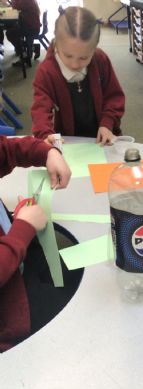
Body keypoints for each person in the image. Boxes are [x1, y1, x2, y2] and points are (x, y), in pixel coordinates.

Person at [0, 135, 71, 352]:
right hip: (10, 315)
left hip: (17, 258)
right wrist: (23, 228)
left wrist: (48, 152)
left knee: (68, 270)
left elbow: (7, 149)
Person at [31, 6, 125, 145]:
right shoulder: (46, 71)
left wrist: (107, 123)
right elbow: (40, 111)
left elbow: (114, 96)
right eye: (68, 56)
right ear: (56, 40)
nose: (75, 65)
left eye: (83, 58)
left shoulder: (100, 60)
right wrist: (46, 134)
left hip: (103, 139)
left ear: (94, 48)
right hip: (67, 143)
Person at [0, 0, 41, 64]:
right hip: (31, 25)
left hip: (31, 28)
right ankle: (32, 48)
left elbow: (15, 6)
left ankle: (24, 54)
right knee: (12, 29)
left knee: (10, 33)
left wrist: (8, 2)